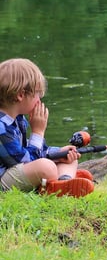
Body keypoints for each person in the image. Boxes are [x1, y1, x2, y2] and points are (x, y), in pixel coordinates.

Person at [0, 58, 94, 197]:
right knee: (45, 167)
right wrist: (38, 132)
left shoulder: (17, 119)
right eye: (37, 93)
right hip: (3, 179)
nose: (39, 100)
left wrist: (59, 153)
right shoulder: (1, 127)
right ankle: (57, 183)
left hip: (17, 168)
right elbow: (24, 161)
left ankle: (63, 182)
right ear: (20, 95)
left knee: (69, 155)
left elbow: (31, 153)